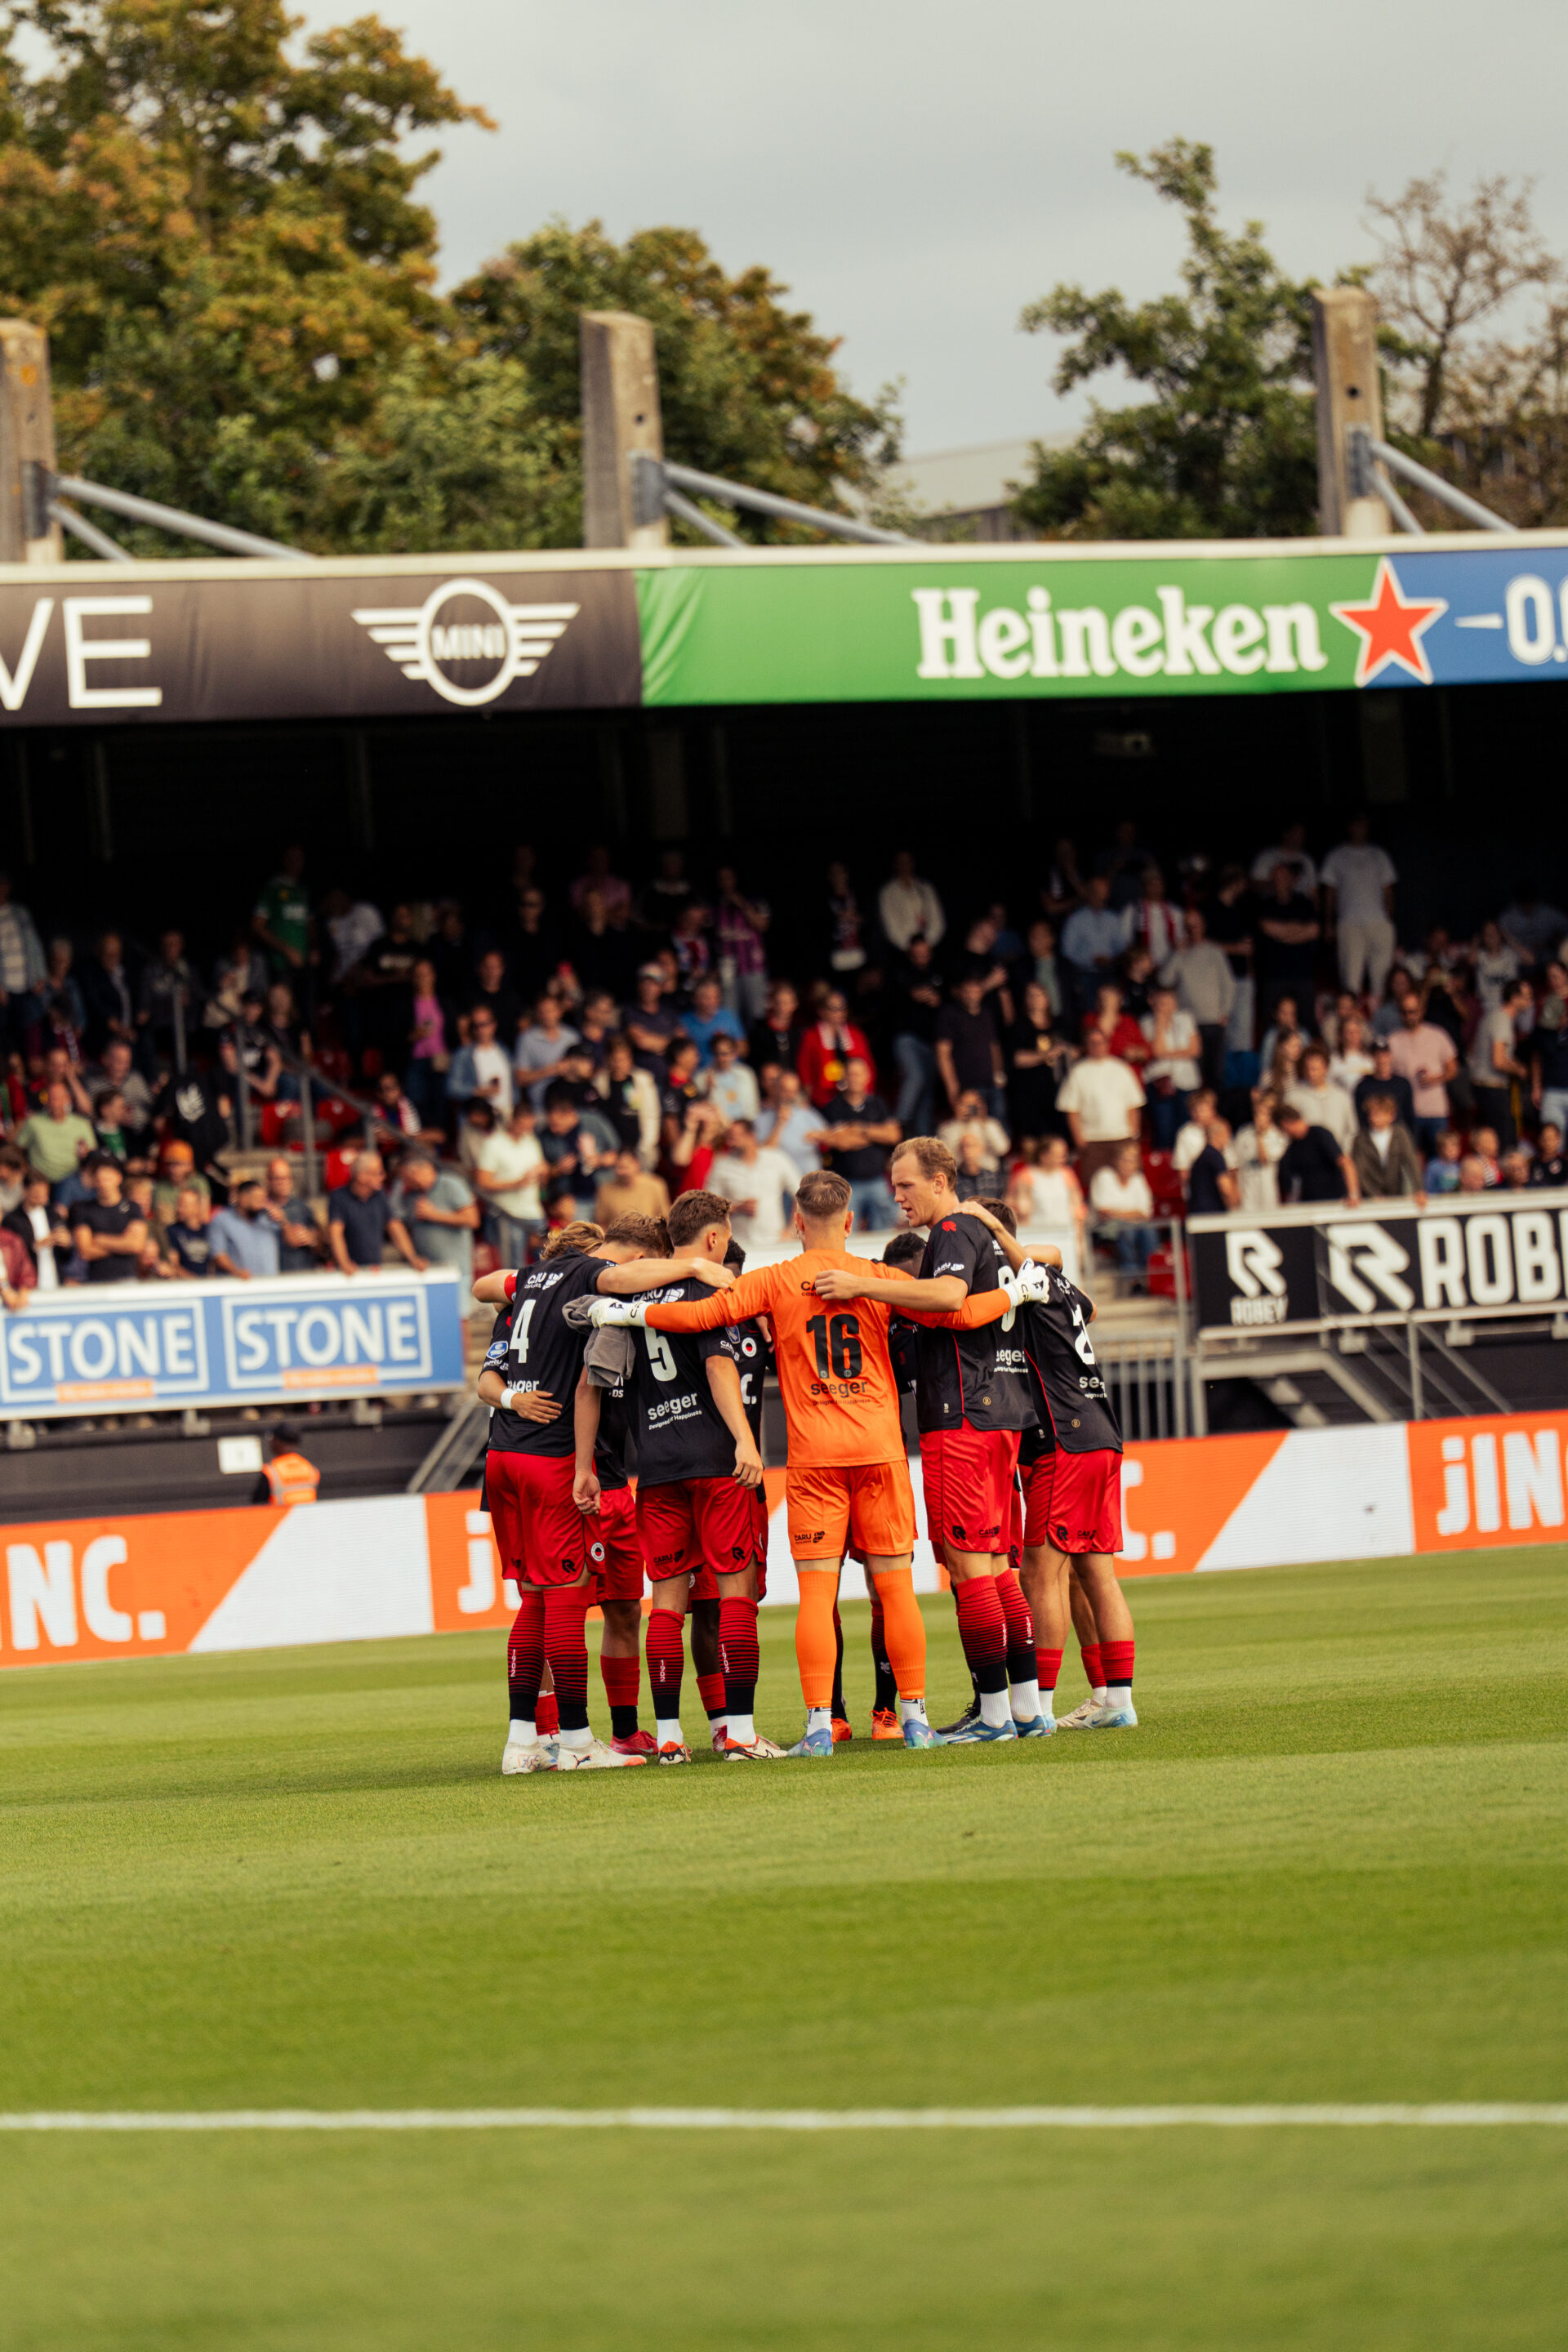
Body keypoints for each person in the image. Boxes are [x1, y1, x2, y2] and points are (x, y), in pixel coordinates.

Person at [595, 1169, 1028, 1752]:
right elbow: (954, 1311)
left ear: (797, 1221)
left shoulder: (774, 1281)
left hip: (815, 1459)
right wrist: (1017, 1290)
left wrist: (624, 1314)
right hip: (879, 1450)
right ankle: (915, 1718)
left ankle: (820, 1727)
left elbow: (698, 1317)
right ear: (849, 1221)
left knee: (819, 1597)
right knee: (895, 1590)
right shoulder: (880, 1279)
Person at [474, 1216, 727, 1771]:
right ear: (636, 1259)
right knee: (566, 1600)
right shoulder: (594, 1275)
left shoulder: (531, 1280)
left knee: (537, 1600)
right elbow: (613, 1284)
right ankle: (575, 1741)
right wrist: (693, 1265)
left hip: (504, 1456)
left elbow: (483, 1286)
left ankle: (522, 1743)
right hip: (552, 1457)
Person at [960, 1200, 1136, 1731]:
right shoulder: (1058, 1283)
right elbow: (1090, 1308)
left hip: (1065, 1438)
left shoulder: (1026, 1279)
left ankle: (1038, 1706)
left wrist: (994, 1231)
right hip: (1100, 1433)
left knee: (1041, 1571)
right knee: (1095, 1572)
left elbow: (1037, 1262)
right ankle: (1115, 1700)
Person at [1055, 1026, 1145, 1194]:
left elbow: (1133, 1105)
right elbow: (1071, 1110)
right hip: (1092, 1140)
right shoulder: (1078, 1072)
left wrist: (1133, 1136)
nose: (1098, 1046)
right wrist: (1080, 1141)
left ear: (1108, 1044)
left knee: (1129, 1185)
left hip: (1122, 1138)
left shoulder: (1121, 1069)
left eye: (1101, 1042)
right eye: (1093, 1043)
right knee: (1094, 1187)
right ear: (1087, 1046)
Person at [816, 1055, 901, 1227]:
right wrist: (876, 1136)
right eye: (851, 1074)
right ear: (844, 1077)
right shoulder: (832, 1107)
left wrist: (857, 1128)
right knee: (845, 1233)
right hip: (845, 1184)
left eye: (859, 1074)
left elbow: (893, 1135)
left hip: (877, 1181)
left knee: (883, 1234)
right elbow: (841, 1142)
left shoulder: (878, 1103)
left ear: (867, 1076)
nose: (855, 1078)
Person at [1320, 816, 1397, 999]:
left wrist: (1389, 920)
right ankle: (1351, 1016)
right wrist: (1329, 924)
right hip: (1350, 924)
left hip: (1378, 922)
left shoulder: (1378, 855)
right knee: (1351, 981)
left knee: (1382, 980)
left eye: (1364, 826)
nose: (1361, 829)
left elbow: (1388, 890)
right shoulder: (1337, 856)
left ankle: (1381, 1014)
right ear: (1350, 828)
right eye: (1357, 825)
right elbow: (1330, 893)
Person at [390, 1150, 481, 1306]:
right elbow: (398, 1221)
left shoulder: (450, 1184)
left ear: (418, 1171)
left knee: (459, 1315)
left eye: (405, 1177)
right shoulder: (412, 1196)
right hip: (427, 1269)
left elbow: (473, 1220)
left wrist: (434, 1215)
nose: (404, 1182)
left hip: (455, 1269)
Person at [1160, 906, 1235, 1093]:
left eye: (1196, 925)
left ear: (1203, 926)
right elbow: (1164, 980)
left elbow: (1228, 984)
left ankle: (1216, 1108)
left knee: (1215, 1072)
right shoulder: (1180, 954)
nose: (1192, 930)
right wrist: (1178, 953)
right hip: (1189, 1023)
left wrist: (1225, 1011)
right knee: (1195, 1074)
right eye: (1188, 926)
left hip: (1214, 1020)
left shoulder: (1214, 952)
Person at [471, 1098, 546, 1267]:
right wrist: (516, 1184)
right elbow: (482, 1182)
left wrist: (544, 1172)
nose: (526, 1130)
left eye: (530, 1126)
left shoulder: (531, 1141)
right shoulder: (493, 1144)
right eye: (523, 1125)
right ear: (512, 1121)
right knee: (515, 1266)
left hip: (534, 1211)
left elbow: (542, 1174)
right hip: (508, 1213)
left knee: (547, 1261)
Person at [327, 1151, 424, 1274]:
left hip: (373, 1269)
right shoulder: (339, 1197)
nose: (383, 1177)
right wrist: (344, 1263)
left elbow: (395, 1227)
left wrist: (413, 1258)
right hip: (348, 1272)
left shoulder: (379, 1195)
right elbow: (336, 1233)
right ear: (362, 1176)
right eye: (379, 1173)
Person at [1388, 992, 1459, 1157]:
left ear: (1421, 1011)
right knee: (1409, 1158)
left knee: (1441, 1158)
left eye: (1412, 1011)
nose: (1408, 1016)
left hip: (1436, 1110)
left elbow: (1453, 1069)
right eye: (1404, 1012)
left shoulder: (1437, 1035)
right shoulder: (1393, 1040)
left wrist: (1436, 1079)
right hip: (1408, 1111)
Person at [708, 1120, 798, 1249]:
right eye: (729, 1137)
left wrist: (791, 1231)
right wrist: (736, 1208)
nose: (730, 1142)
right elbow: (709, 1206)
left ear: (751, 1136)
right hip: (738, 1244)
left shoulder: (776, 1159)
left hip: (776, 1242)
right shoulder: (721, 1166)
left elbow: (800, 1193)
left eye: (735, 1137)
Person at [889, 938, 945, 1136]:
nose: (921, 957)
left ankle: (923, 1138)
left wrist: (937, 999)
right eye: (916, 953)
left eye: (924, 953)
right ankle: (897, 1124)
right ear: (910, 954)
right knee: (916, 1077)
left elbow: (950, 1001)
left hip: (931, 1042)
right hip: (907, 1038)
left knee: (927, 1092)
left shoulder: (939, 974)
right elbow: (887, 1004)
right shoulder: (899, 974)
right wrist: (910, 995)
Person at [1468, 975, 1530, 1151]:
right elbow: (1499, 1061)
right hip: (1492, 1086)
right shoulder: (1502, 1020)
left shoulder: (1494, 1017)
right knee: (1505, 1141)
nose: (1530, 1001)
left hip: (1484, 1085)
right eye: (1527, 996)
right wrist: (1519, 1070)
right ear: (1514, 998)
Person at [934, 972, 1004, 1120]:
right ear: (960, 992)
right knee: (972, 1128)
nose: (972, 995)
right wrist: (952, 1087)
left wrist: (999, 1074)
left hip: (991, 1083)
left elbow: (994, 1047)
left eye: (976, 990)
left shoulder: (987, 1014)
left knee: (998, 1126)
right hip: (967, 1085)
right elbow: (943, 1053)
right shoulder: (950, 1015)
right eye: (968, 991)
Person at [1254, 862, 1321, 1019]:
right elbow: (1267, 927)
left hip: (1303, 974)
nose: (1281, 881)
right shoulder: (1265, 905)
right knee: (1273, 1021)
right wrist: (1298, 930)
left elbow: (1314, 931)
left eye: (1284, 877)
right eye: (1277, 877)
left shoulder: (1304, 903)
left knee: (1306, 1019)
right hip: (1274, 975)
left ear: (1293, 879)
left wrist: (1281, 932)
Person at [1004, 982, 1067, 1144]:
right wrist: (1047, 1054)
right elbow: (1017, 1058)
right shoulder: (1020, 1025)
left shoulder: (1058, 1024)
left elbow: (1072, 1048)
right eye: (1031, 995)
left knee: (1056, 1137)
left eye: (1039, 995)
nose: (1035, 999)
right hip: (1029, 1092)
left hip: (1057, 1090)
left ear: (1047, 999)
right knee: (1032, 1139)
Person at [1140, 985, 1200, 1151]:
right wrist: (1160, 1023)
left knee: (1186, 1126)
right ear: (1153, 1002)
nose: (1166, 1007)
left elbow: (1195, 1050)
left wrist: (1166, 1053)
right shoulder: (1146, 1022)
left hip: (1187, 1081)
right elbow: (1157, 1051)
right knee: (1164, 1129)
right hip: (1160, 1082)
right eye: (1161, 1003)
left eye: (1169, 1002)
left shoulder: (1185, 1019)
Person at [1089, 1139, 1160, 1280]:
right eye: (1125, 1160)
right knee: (1127, 1231)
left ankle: (1150, 1276)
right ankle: (1132, 1279)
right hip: (1103, 1227)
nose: (1128, 1164)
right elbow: (1103, 1211)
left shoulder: (1138, 1179)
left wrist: (1118, 1213)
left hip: (1135, 1225)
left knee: (1149, 1231)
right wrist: (1132, 1214)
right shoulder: (1104, 1176)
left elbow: (1145, 1213)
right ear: (1116, 1160)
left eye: (1132, 1161)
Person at [72, 1153, 146, 1284]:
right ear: (94, 1180)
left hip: (127, 1279)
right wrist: (123, 1243)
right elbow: (85, 1251)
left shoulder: (133, 1208)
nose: (104, 1181)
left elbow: (136, 1245)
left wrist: (101, 1240)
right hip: (96, 1281)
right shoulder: (83, 1209)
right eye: (100, 1177)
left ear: (119, 1177)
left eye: (108, 1176)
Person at [1060, 875, 1125, 1014]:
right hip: (1085, 974)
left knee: (1112, 1011)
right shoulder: (1076, 919)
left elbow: (1122, 947)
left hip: (1110, 973)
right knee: (1090, 1012)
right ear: (1089, 892)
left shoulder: (1113, 918)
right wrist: (1091, 960)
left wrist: (1111, 959)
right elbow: (1067, 951)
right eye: (1097, 892)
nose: (1100, 896)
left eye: (1104, 892)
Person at [798, 990, 875, 1108]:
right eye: (833, 1009)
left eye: (842, 1008)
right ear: (821, 1011)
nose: (839, 1013)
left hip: (855, 1096)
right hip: (823, 1099)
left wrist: (867, 1094)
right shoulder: (811, 1036)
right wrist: (807, 1098)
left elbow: (868, 1065)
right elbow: (805, 1070)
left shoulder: (856, 1034)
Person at [16, 1077, 96, 1188]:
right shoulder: (33, 1122)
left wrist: (85, 1154)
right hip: (41, 1181)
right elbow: (18, 1149)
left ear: (68, 1099)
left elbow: (92, 1153)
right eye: (51, 1097)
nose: (54, 1102)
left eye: (58, 1098)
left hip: (73, 1180)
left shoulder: (82, 1124)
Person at [252, 844, 313, 983]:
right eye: (291, 858)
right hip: (280, 964)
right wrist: (287, 950)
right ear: (284, 860)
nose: (295, 862)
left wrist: (314, 948)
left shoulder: (303, 890)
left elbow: (311, 923)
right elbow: (257, 926)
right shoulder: (272, 888)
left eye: (299, 858)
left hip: (305, 963)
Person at [1277, 1106, 1357, 1205]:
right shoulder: (1292, 1146)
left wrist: (1353, 1195)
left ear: (1286, 1124)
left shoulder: (1319, 1134)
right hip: (1310, 1204)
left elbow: (1346, 1163)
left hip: (1336, 1201)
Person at [1351, 1093, 1425, 1200]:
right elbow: (1359, 1170)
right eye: (1371, 1114)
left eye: (1378, 1114)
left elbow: (1411, 1161)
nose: (1373, 1118)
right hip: (1369, 1196)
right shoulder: (1361, 1138)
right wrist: (1373, 1194)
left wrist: (1419, 1190)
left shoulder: (1400, 1134)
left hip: (1396, 1191)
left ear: (1391, 1115)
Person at [1285, 1045, 1357, 1154]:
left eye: (1314, 1069)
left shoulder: (1342, 1096)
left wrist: (1343, 1153)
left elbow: (1352, 1130)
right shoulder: (1293, 1097)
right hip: (1307, 1157)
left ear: (1325, 1068)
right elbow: (1288, 1130)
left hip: (1338, 1157)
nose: (1310, 1073)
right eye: (1307, 1068)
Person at [513, 993, 580, 1111]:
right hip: (540, 1106)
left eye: (550, 1011)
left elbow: (583, 1069)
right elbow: (520, 1079)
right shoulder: (527, 1039)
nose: (547, 1016)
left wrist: (571, 1067)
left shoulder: (572, 1037)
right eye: (542, 1012)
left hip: (570, 1105)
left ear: (559, 1011)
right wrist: (552, 1070)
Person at [756, 1067, 822, 1180]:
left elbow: (830, 1139)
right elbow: (764, 1154)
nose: (790, 1096)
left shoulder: (808, 1114)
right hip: (780, 1183)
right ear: (775, 1089)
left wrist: (821, 1136)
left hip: (809, 1182)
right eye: (786, 1091)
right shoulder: (761, 1119)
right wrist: (780, 1124)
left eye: (794, 1092)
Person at [209, 1178, 282, 1278]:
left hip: (270, 1284)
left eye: (263, 1198)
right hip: (240, 1284)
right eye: (258, 1198)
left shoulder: (267, 1220)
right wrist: (237, 1272)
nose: (262, 1203)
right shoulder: (222, 1220)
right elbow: (218, 1254)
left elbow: (292, 1241)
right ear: (243, 1198)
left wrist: (283, 1221)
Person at [877, 849, 946, 954]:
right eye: (900, 862)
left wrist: (928, 943)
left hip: (928, 946)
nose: (904, 865)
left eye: (908, 861)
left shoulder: (925, 887)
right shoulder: (888, 892)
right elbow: (890, 925)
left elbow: (937, 917)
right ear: (895, 864)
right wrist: (908, 946)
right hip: (903, 949)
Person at [260, 1155, 320, 1272]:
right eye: (278, 1179)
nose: (284, 1183)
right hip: (274, 1274)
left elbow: (319, 1243)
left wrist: (312, 1239)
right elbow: (291, 1240)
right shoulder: (260, 1209)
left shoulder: (301, 1207)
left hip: (303, 1272)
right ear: (268, 1181)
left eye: (287, 1178)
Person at [1231, 1091, 1288, 1212]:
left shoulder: (1278, 1136)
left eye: (1263, 1114)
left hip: (1268, 1192)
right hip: (1246, 1191)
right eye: (1257, 1113)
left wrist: (1259, 1136)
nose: (1259, 1118)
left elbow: (1264, 1159)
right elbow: (1235, 1163)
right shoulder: (1243, 1134)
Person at [593, 1148, 671, 1230]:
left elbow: (665, 1218)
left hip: (650, 1235)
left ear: (637, 1164)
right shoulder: (605, 1190)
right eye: (618, 1167)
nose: (621, 1172)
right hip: (616, 1236)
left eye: (625, 1167)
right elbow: (601, 1223)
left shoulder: (655, 1185)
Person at [1354, 1040, 1415, 1135]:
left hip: (1398, 1136)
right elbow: (1360, 1117)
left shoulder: (1402, 1084)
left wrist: (1411, 1139)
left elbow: (1409, 1115)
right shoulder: (1363, 1086)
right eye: (1378, 1055)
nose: (1382, 1059)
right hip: (1372, 1136)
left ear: (1391, 1056)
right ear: (1372, 1058)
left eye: (1385, 1055)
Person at [702, 1028, 759, 1126]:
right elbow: (704, 1109)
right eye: (716, 1054)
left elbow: (754, 1106)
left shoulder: (746, 1074)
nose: (721, 1058)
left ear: (734, 1054)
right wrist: (708, 1090)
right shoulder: (702, 1077)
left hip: (746, 1126)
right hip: (720, 1129)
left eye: (724, 1054)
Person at [1250, 821, 1318, 898]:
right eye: (1296, 833)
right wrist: (1280, 885)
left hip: (1301, 902)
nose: (1300, 837)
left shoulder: (1307, 859)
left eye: (1303, 834)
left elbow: (1313, 889)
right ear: (1286, 834)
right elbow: (1254, 884)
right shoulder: (1266, 856)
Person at [1185, 1119, 1238, 1215]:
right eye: (1227, 1135)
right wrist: (1234, 1203)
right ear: (1218, 1135)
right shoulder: (1215, 1157)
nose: (1227, 1140)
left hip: (1197, 1212)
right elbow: (1225, 1188)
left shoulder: (1202, 1157)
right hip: (1211, 1214)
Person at [163, 1184, 214, 1278]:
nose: (179, 1209)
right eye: (178, 1204)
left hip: (209, 1283)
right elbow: (174, 1264)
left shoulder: (209, 1230)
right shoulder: (172, 1231)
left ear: (197, 1207)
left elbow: (213, 1262)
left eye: (184, 1205)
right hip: (185, 1284)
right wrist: (193, 1280)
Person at [265, 1422, 321, 1506]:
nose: (271, 1443)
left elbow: (258, 1505)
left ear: (278, 1441)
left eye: (273, 1439)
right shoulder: (311, 1470)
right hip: (308, 1514)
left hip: (282, 1514)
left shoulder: (270, 1472)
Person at [1528, 1123, 1567, 1188]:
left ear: (1558, 1139)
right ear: (1539, 1140)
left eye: (1551, 1139)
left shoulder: (1565, 1163)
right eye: (1545, 1139)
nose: (1548, 1143)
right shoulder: (1532, 1164)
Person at [1426, 1129, 1463, 1194]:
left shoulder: (1459, 1166)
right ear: (1440, 1149)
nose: (1453, 1152)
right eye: (1449, 1149)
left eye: (1455, 1148)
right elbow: (1428, 1188)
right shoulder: (1433, 1167)